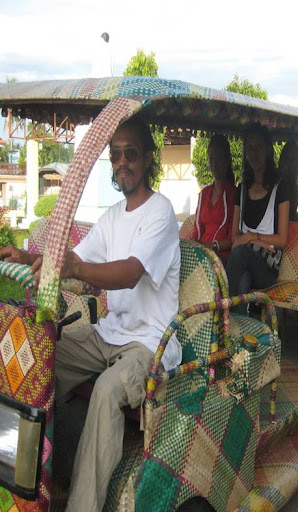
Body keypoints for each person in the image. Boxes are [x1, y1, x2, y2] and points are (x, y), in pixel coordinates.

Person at [0, 116, 181, 512]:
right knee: (37, 357)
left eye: (130, 153)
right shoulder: (114, 215)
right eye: (115, 154)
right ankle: (26, 473)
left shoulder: (161, 213)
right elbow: (75, 259)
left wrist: (77, 270)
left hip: (149, 343)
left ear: (148, 158)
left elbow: (131, 273)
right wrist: (28, 256)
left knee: (106, 391)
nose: (121, 162)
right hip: (109, 333)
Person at [226, 124, 290, 314]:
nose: (253, 153)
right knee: (243, 279)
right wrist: (250, 241)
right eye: (250, 148)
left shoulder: (281, 188)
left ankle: (221, 316)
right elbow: (234, 238)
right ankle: (237, 331)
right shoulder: (242, 188)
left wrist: (251, 237)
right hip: (246, 264)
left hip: (268, 269)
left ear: (268, 150)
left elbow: (281, 240)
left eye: (258, 148)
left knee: (240, 254)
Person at [191, 134, 236, 263]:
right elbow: (197, 230)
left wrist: (212, 246)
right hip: (201, 253)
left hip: (221, 256)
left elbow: (233, 238)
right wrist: (194, 245)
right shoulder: (204, 194)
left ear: (227, 160)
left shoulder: (234, 194)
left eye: (219, 158)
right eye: (211, 159)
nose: (214, 164)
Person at [278, 140, 298, 220]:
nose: (287, 164)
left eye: (292, 161)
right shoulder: (271, 179)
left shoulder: (294, 191)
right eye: (286, 158)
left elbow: (288, 219)